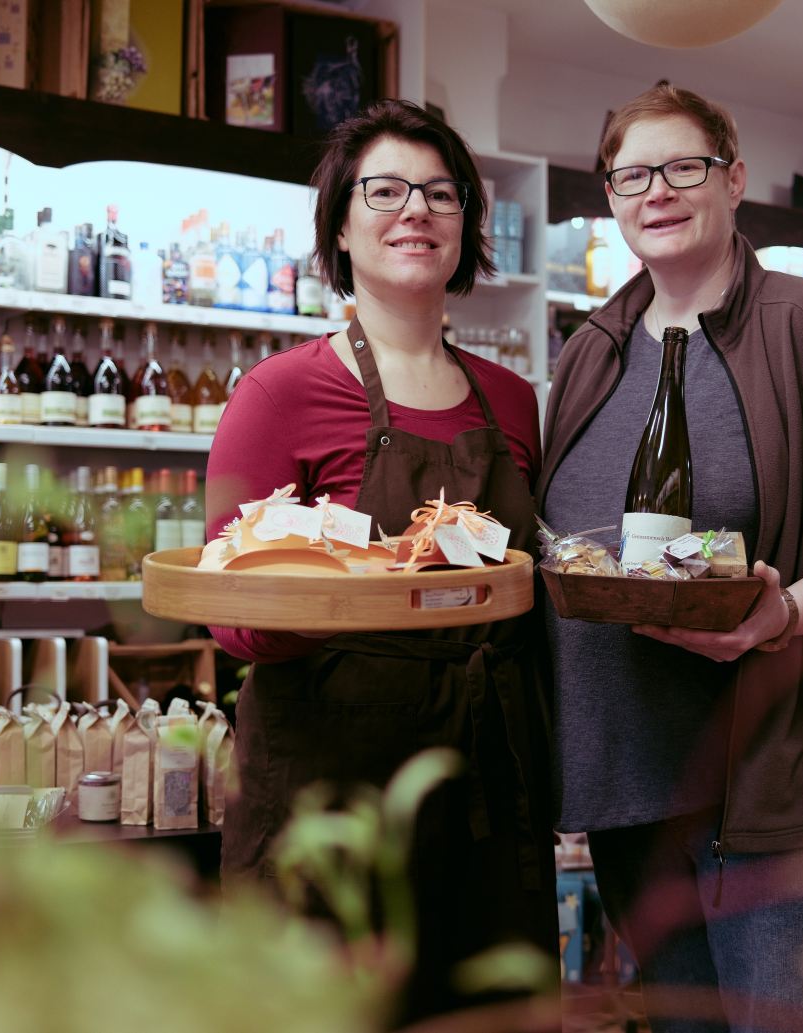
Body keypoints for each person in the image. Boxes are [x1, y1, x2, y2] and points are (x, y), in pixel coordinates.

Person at [539, 84, 803, 1033]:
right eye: (632, 175)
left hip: (777, 779)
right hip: (631, 787)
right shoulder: (591, 349)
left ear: (733, 180)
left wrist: (785, 610)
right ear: (610, 197)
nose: (657, 191)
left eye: (683, 166)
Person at [204, 99, 554, 1023]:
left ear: (467, 225)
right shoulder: (280, 393)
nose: (417, 212)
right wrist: (317, 599)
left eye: (441, 193)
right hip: (331, 794)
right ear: (341, 224)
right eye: (387, 190)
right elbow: (228, 610)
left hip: (488, 783)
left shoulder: (514, 399)